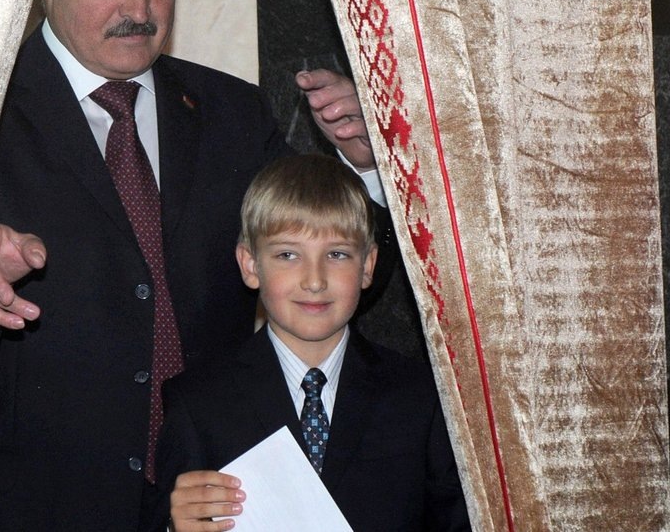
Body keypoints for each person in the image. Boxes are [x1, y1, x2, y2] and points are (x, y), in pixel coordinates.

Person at [0, 0, 388, 531]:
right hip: (40, 501)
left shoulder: (232, 111)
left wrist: (367, 166)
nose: (140, 7)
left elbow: (339, 265)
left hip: (221, 495)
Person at [144, 154, 469, 532]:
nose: (314, 280)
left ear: (367, 266)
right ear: (250, 265)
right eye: (288, 255)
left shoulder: (423, 396)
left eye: (337, 254)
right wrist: (174, 526)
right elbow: (173, 514)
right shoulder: (198, 402)